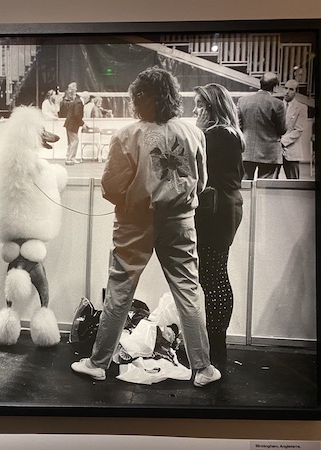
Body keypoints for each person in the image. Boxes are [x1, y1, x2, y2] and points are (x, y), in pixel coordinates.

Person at [71, 67, 221, 387]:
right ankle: (203, 368)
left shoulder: (127, 135)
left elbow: (111, 187)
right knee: (189, 292)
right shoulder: (194, 132)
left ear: (140, 98)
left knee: (120, 291)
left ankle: (99, 363)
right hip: (180, 221)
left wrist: (133, 198)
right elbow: (203, 181)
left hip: (134, 222)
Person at [193, 83, 245, 367]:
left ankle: (217, 347)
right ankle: (216, 345)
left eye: (199, 104)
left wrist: (197, 133)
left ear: (211, 107)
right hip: (223, 209)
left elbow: (192, 163)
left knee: (213, 278)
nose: (195, 110)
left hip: (216, 211)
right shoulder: (229, 134)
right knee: (213, 276)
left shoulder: (216, 135)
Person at [237, 72, 287, 180]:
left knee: (244, 185)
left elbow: (238, 126)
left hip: (247, 151)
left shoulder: (242, 101)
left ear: (260, 83)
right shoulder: (278, 104)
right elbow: (282, 129)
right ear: (275, 86)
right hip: (269, 153)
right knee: (267, 189)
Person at [280, 79, 308, 179]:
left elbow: (298, 130)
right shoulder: (277, 105)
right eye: (286, 88)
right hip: (275, 151)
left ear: (296, 91)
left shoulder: (301, 108)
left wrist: (282, 141)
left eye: (291, 89)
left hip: (291, 150)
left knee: (293, 182)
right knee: (271, 182)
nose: (287, 91)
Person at [58, 82, 84, 165]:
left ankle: (68, 158)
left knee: (71, 142)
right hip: (72, 124)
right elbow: (77, 114)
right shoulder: (78, 102)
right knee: (74, 141)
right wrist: (82, 123)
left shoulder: (74, 101)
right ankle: (71, 158)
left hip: (69, 124)